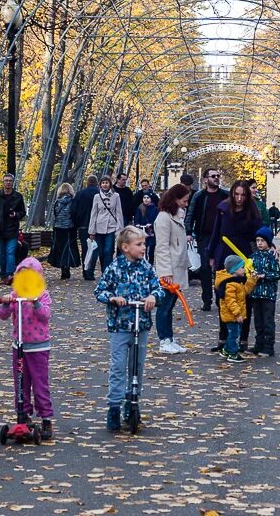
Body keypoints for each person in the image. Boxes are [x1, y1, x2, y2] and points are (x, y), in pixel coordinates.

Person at [94, 225, 161, 431]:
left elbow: (159, 288)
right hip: (120, 325)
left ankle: (133, 402)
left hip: (140, 325)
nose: (143, 248)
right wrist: (113, 298)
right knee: (118, 367)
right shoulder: (115, 268)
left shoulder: (147, 268)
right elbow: (100, 291)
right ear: (125, 247)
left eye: (144, 244)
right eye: (139, 244)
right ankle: (114, 406)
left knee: (137, 366)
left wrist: (153, 297)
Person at [0, 256, 55, 441]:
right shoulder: (15, 294)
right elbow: (3, 315)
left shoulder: (43, 295)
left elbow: (45, 315)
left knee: (40, 384)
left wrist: (35, 301)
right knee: (21, 383)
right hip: (20, 346)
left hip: (38, 348)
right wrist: (7, 302)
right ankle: (23, 414)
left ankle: (46, 418)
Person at [208, 180, 264, 352]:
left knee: (243, 297)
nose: (239, 198)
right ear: (232, 194)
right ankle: (223, 338)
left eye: (243, 195)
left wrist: (269, 247)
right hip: (224, 256)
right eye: (236, 194)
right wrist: (211, 255)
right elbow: (216, 232)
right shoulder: (223, 209)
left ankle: (242, 339)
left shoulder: (252, 212)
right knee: (222, 297)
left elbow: (260, 233)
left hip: (244, 256)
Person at [152, 183, 191, 354]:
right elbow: (161, 247)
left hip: (178, 266)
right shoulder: (163, 218)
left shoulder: (177, 216)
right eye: (184, 200)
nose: (186, 203)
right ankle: (164, 340)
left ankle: (169, 338)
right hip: (169, 270)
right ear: (175, 199)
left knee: (170, 305)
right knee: (165, 307)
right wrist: (165, 272)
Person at [186, 168, 228, 310]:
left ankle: (219, 299)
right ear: (205, 179)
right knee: (204, 268)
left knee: (219, 269)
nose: (216, 178)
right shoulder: (199, 196)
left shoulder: (225, 195)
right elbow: (190, 214)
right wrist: (188, 231)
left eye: (218, 175)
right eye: (213, 176)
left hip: (222, 238)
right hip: (204, 236)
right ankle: (207, 299)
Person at [214, 255, 256, 362]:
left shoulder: (237, 281)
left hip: (237, 314)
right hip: (232, 315)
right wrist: (237, 314)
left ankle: (226, 350)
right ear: (235, 269)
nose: (244, 269)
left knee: (234, 332)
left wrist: (252, 279)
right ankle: (233, 353)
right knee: (234, 334)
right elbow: (230, 301)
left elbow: (245, 291)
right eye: (242, 267)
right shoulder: (230, 284)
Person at [247, 227, 280, 357]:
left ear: (268, 242)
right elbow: (248, 269)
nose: (260, 243)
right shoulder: (253, 257)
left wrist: (264, 275)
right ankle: (259, 344)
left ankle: (268, 346)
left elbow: (277, 274)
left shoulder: (271, 257)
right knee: (258, 321)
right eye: (257, 240)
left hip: (268, 294)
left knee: (268, 320)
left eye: (262, 240)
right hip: (256, 293)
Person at [0, 173, 26, 282]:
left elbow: (23, 212)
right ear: (3, 182)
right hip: (0, 229)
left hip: (12, 229)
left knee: (10, 252)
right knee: (1, 254)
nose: (8, 182)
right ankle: (3, 275)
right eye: (6, 180)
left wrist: (16, 215)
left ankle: (9, 275)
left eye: (10, 181)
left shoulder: (18, 196)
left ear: (13, 183)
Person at [88, 175, 125, 274]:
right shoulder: (97, 197)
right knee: (101, 251)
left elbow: (119, 213)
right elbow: (93, 214)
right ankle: (105, 270)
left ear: (110, 184)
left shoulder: (116, 196)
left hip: (111, 227)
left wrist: (119, 229)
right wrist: (91, 231)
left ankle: (106, 273)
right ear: (100, 184)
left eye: (107, 182)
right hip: (99, 227)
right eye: (103, 183)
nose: (105, 185)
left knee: (108, 250)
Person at [48, 182, 81, 280]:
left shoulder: (57, 202)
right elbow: (75, 214)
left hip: (59, 228)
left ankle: (63, 267)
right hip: (70, 228)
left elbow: (54, 215)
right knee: (70, 247)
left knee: (61, 248)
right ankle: (68, 265)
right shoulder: (73, 202)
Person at [72, 176, 101, 280]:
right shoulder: (99, 194)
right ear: (97, 183)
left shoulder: (80, 194)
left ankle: (85, 270)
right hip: (97, 226)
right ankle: (90, 272)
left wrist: (76, 223)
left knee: (85, 249)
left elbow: (74, 210)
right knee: (94, 249)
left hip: (83, 225)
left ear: (87, 183)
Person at [133, 191, 159, 262]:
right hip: (142, 231)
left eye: (148, 198)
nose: (146, 199)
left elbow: (157, 220)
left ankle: (150, 263)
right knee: (142, 248)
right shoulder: (140, 208)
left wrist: (151, 224)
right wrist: (137, 224)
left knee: (151, 249)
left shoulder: (155, 209)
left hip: (151, 233)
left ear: (151, 199)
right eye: (144, 198)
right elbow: (137, 218)